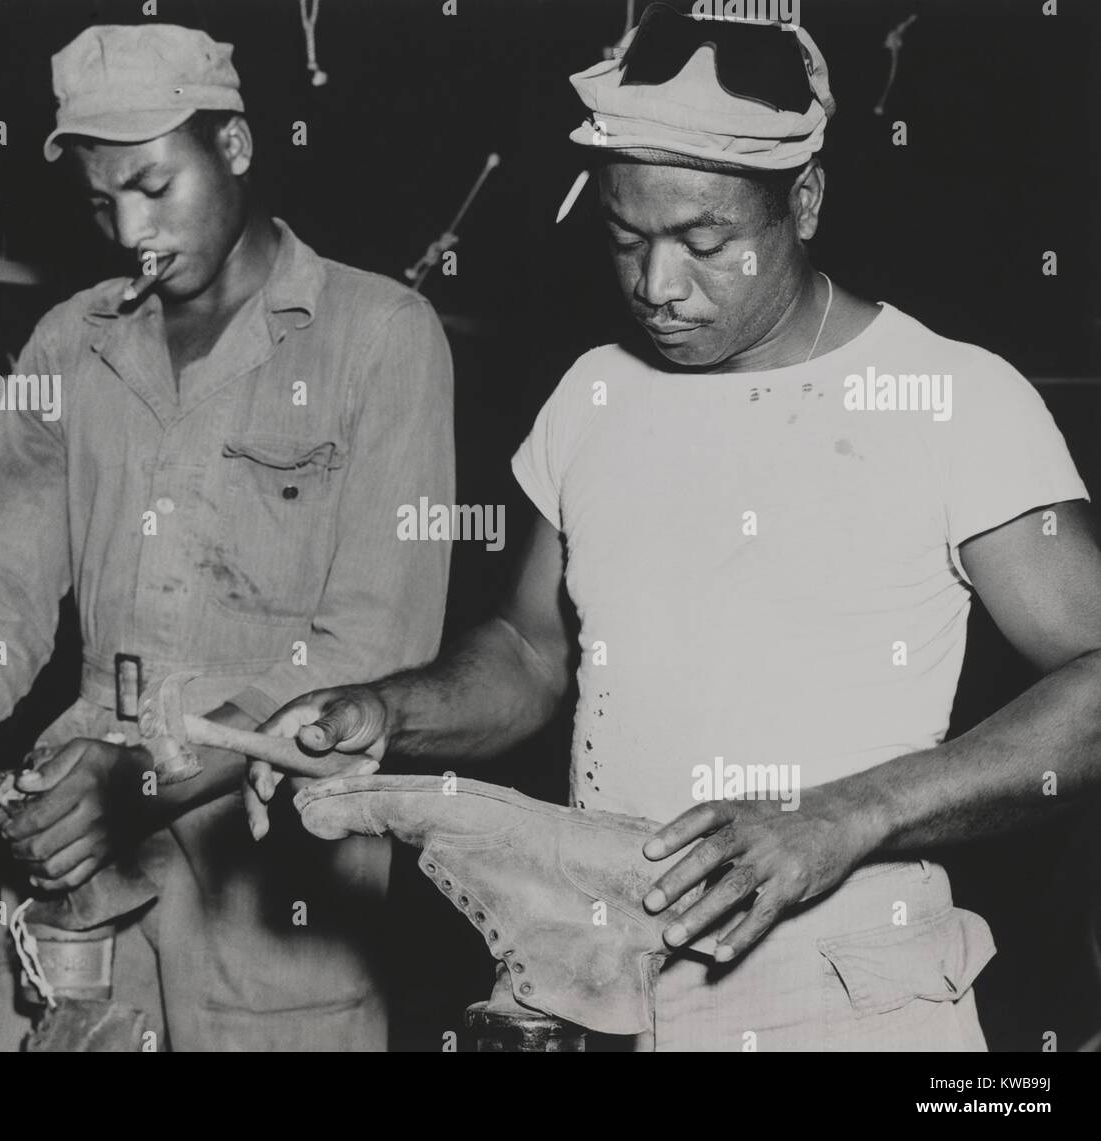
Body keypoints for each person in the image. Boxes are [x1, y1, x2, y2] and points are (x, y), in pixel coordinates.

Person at [251, 6, 1101, 1051]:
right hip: (598, 991)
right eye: (625, 236)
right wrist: (385, 710)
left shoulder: (952, 396)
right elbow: (528, 652)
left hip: (844, 1002)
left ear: (805, 201)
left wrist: (849, 813)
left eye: (705, 242)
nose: (656, 286)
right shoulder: (594, 394)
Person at [0, 24, 454, 1051]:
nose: (128, 229)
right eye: (98, 197)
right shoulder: (70, 344)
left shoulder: (379, 338)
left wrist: (148, 779)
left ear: (237, 148)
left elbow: (372, 644)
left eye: (155, 185)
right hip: (76, 906)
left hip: (275, 909)